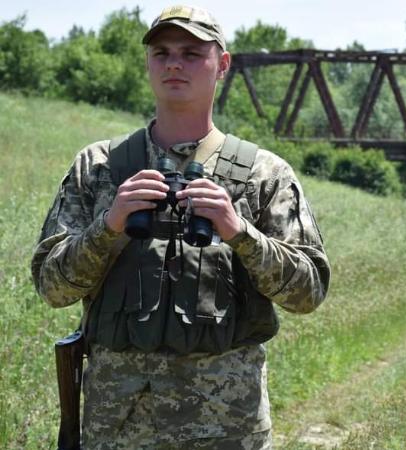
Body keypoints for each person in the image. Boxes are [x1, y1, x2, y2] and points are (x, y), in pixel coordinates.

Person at [31, 5, 330, 449]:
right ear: (148, 63)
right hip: (118, 427)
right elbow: (52, 288)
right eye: (162, 52)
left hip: (227, 427)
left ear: (222, 64)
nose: (174, 63)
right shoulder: (100, 167)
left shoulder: (263, 175)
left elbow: (308, 293)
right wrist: (109, 225)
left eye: (192, 53)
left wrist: (238, 232)